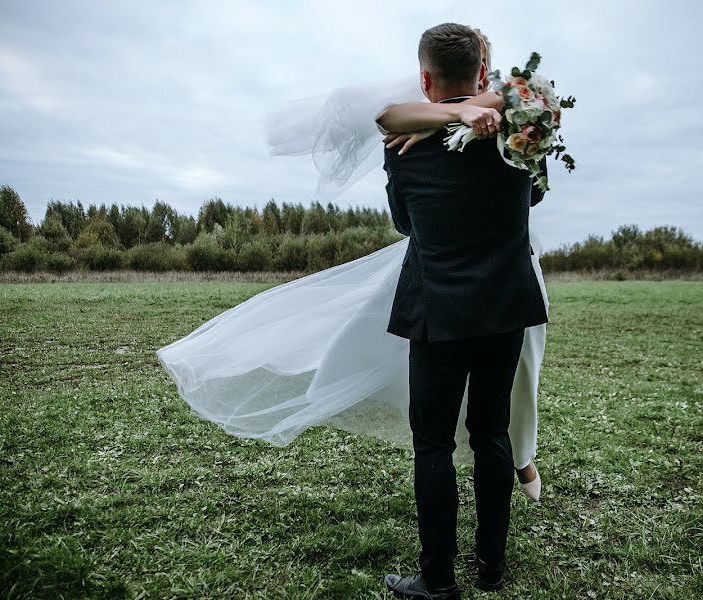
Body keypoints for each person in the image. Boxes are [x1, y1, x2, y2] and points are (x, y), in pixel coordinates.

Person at [154, 26, 550, 506]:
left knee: (474, 406)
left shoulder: (505, 113)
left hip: (469, 277)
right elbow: (525, 190)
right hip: (494, 282)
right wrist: (454, 115)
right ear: (477, 69)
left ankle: (511, 466)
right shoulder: (489, 124)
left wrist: (457, 116)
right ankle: (504, 483)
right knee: (495, 395)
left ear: (429, 78)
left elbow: (408, 208)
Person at [379, 23, 548, 599]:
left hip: (437, 312)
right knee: (491, 433)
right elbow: (535, 194)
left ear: (425, 78)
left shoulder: (404, 148)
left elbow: (404, 223)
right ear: (484, 72)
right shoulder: (525, 133)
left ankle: (437, 580)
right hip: (504, 308)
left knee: (433, 445)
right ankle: (493, 568)